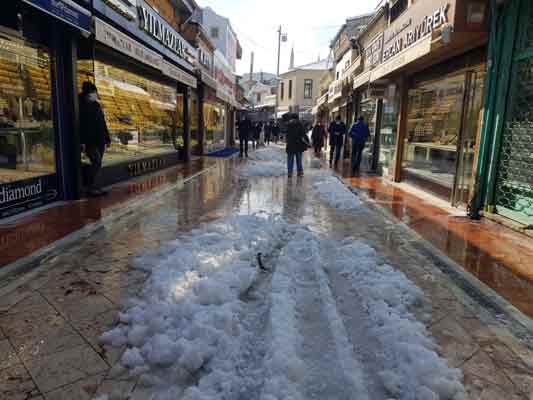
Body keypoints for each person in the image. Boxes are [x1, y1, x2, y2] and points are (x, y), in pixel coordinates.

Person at [79, 81, 111, 197]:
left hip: (100, 139)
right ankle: (90, 188)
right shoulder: (79, 105)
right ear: (87, 93)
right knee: (96, 162)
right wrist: (81, 141)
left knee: (98, 163)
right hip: (89, 141)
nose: (95, 94)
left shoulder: (96, 105)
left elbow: (102, 123)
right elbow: (80, 124)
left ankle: (95, 187)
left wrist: (107, 138)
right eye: (93, 92)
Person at [286, 113, 310, 178]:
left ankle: (291, 173)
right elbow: (303, 135)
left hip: (292, 145)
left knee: (291, 160)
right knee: (298, 159)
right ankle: (299, 172)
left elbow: (286, 135)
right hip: (297, 145)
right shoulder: (299, 125)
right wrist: (308, 142)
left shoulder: (289, 125)